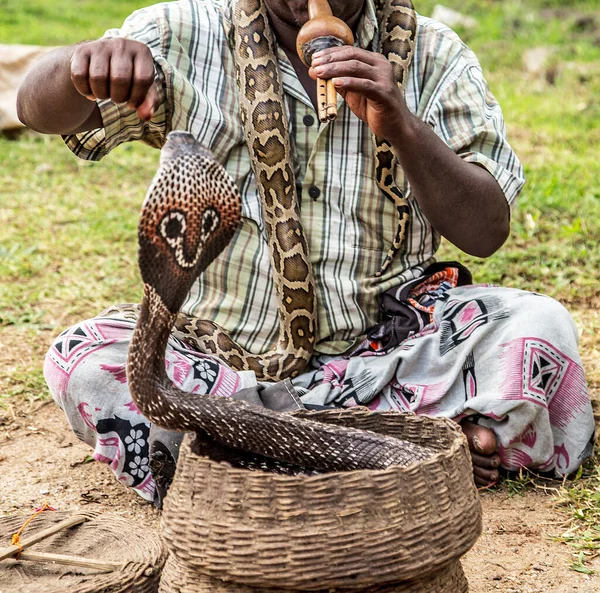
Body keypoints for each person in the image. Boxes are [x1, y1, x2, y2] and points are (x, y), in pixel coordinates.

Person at [17, 0, 594, 504]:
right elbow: (34, 107)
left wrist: (403, 126)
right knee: (81, 360)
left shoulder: (435, 55)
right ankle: (407, 450)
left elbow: (487, 228)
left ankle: (247, 463)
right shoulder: (183, 31)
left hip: (387, 353)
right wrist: (78, 67)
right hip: (225, 365)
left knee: (539, 328)